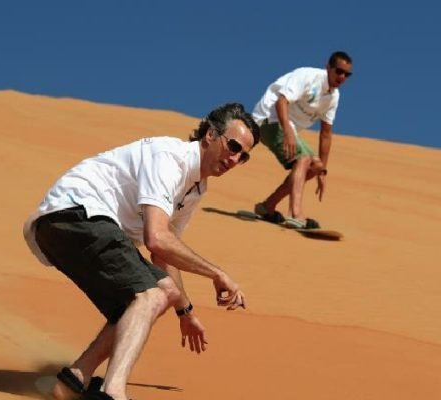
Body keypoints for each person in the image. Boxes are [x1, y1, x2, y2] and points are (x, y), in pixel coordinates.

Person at [23, 102, 260, 400]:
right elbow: (157, 239)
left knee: (154, 296)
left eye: (243, 156)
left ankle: (73, 380)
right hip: (76, 214)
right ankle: (114, 393)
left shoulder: (196, 188)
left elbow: (164, 255)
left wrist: (184, 310)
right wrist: (217, 273)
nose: (235, 158)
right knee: (149, 296)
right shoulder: (170, 159)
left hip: (75, 226)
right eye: (234, 146)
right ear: (211, 135)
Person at [251, 51, 353, 229]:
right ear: (328, 68)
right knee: (303, 159)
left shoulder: (333, 97)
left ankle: (267, 206)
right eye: (339, 71)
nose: (342, 77)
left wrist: (322, 170)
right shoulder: (308, 76)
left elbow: (326, 133)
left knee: (314, 166)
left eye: (347, 74)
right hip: (268, 119)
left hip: (287, 126)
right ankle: (296, 214)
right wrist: (288, 132)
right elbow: (281, 101)